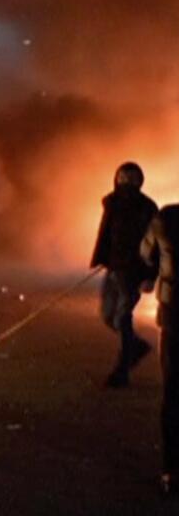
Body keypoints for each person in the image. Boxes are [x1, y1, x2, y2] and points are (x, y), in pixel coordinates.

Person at [91, 162, 158, 388]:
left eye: (132, 178)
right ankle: (137, 348)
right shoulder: (111, 203)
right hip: (113, 269)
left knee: (122, 317)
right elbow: (106, 234)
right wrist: (103, 258)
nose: (127, 182)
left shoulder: (147, 208)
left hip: (133, 273)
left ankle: (121, 372)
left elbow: (155, 245)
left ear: (140, 181)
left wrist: (150, 275)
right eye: (123, 177)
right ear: (116, 178)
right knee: (108, 316)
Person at [142, 205, 179, 494]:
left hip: (174, 312)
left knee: (173, 391)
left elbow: (146, 253)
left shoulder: (166, 218)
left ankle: (172, 469)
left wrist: (149, 275)